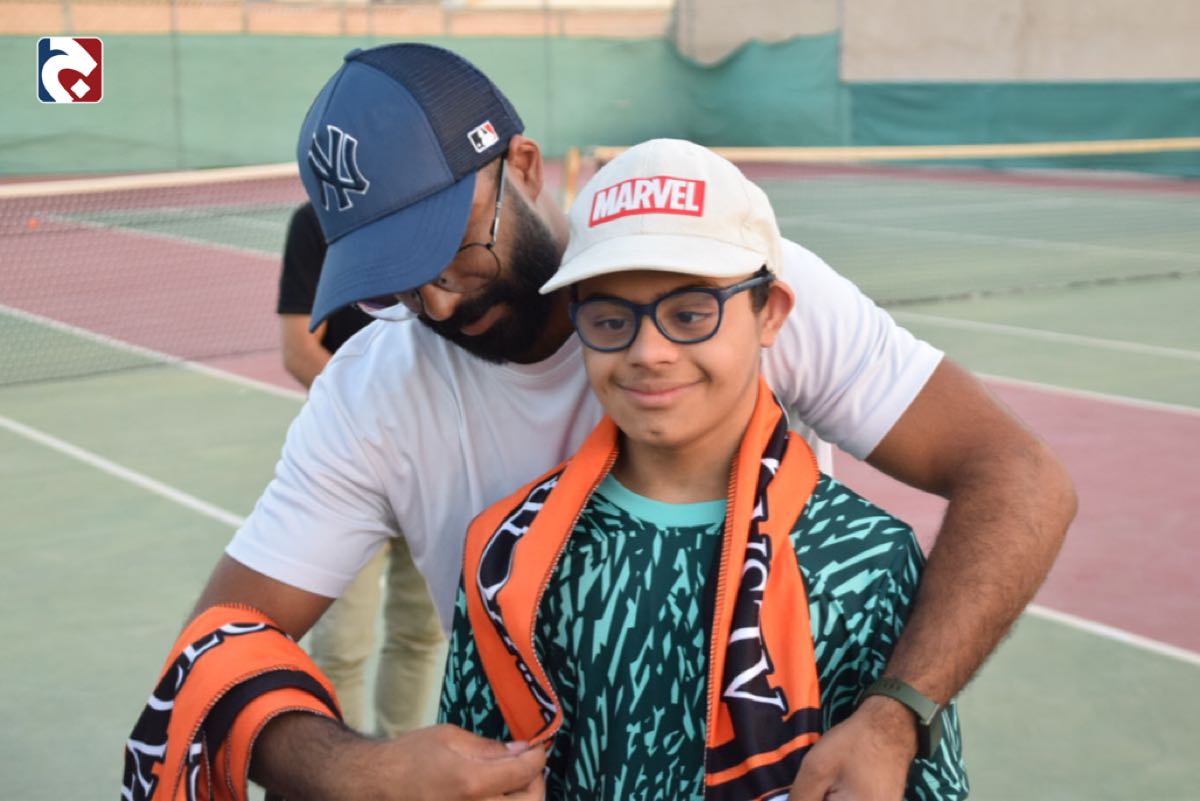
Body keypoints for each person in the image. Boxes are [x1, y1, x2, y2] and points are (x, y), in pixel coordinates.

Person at [128, 43, 1075, 801]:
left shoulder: (725, 273)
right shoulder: (372, 394)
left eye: (452, 251)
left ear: (522, 167)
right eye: (397, 281)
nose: (439, 302)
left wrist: (897, 711)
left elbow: (1020, 474)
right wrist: (358, 772)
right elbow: (218, 644)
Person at [439, 139, 969, 800]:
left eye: (690, 314)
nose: (649, 351)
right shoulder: (505, 555)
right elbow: (469, 768)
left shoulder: (867, 561)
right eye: (610, 319)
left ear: (771, 313)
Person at [276, 202, 445, 737]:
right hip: (352, 475)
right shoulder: (316, 222)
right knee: (341, 648)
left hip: (437, 473)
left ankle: (402, 766)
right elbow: (299, 350)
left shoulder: (441, 212)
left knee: (420, 637)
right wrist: (379, 429)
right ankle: (352, 774)